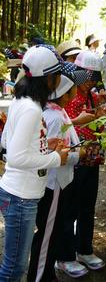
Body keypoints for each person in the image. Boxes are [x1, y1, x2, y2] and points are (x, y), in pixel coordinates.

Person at [0, 45, 68, 281]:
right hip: (20, 197)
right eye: (58, 74)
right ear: (49, 78)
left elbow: (7, 142)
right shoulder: (31, 109)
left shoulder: (23, 101)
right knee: (14, 267)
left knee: (15, 263)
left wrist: (43, 145)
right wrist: (55, 158)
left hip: (18, 194)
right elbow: (17, 158)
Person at [53, 51, 106, 278]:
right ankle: (64, 257)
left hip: (90, 159)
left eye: (93, 78)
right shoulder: (64, 99)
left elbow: (98, 131)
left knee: (87, 206)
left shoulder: (94, 98)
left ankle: (84, 250)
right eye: (85, 78)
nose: (89, 83)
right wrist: (79, 121)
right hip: (71, 161)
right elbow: (58, 132)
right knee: (68, 210)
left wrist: (101, 117)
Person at [27, 74, 87, 282]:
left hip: (60, 183)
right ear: (65, 94)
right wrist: (78, 155)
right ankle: (38, 276)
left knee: (53, 232)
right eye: (74, 89)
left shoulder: (57, 112)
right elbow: (50, 154)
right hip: (53, 184)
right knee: (47, 234)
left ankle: (47, 274)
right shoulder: (53, 118)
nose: (77, 91)